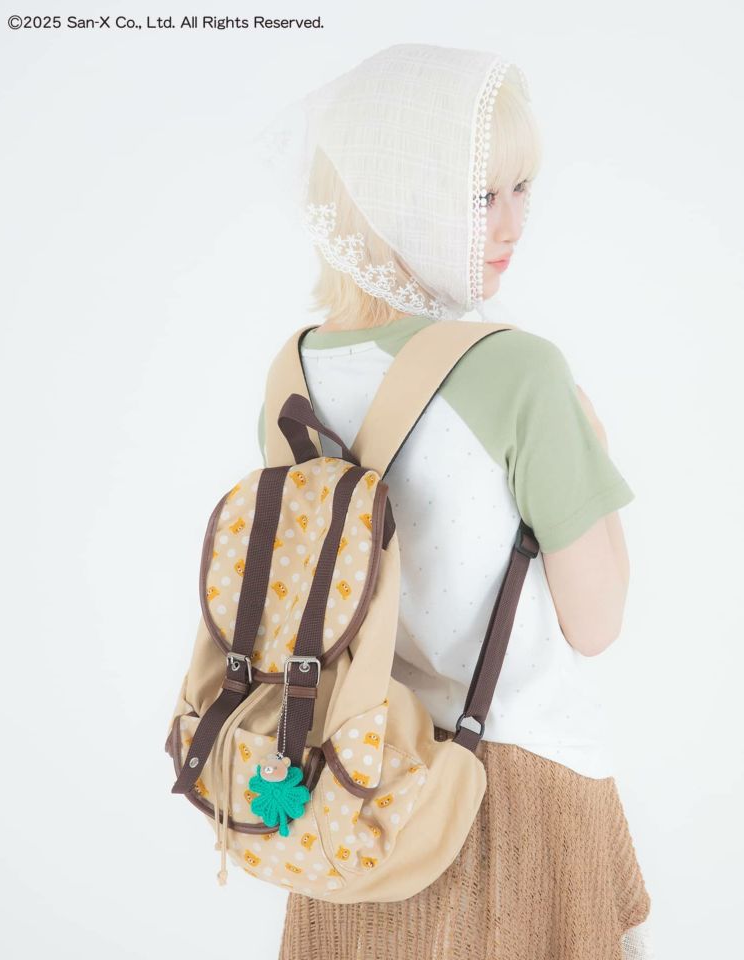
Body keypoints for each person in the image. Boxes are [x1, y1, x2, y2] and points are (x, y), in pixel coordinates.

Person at [255, 42, 655, 960]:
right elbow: (597, 623)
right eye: (482, 196)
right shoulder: (519, 371)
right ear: (403, 197)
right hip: (516, 789)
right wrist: (589, 444)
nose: (514, 223)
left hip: (348, 794)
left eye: (523, 188)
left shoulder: (293, 373)